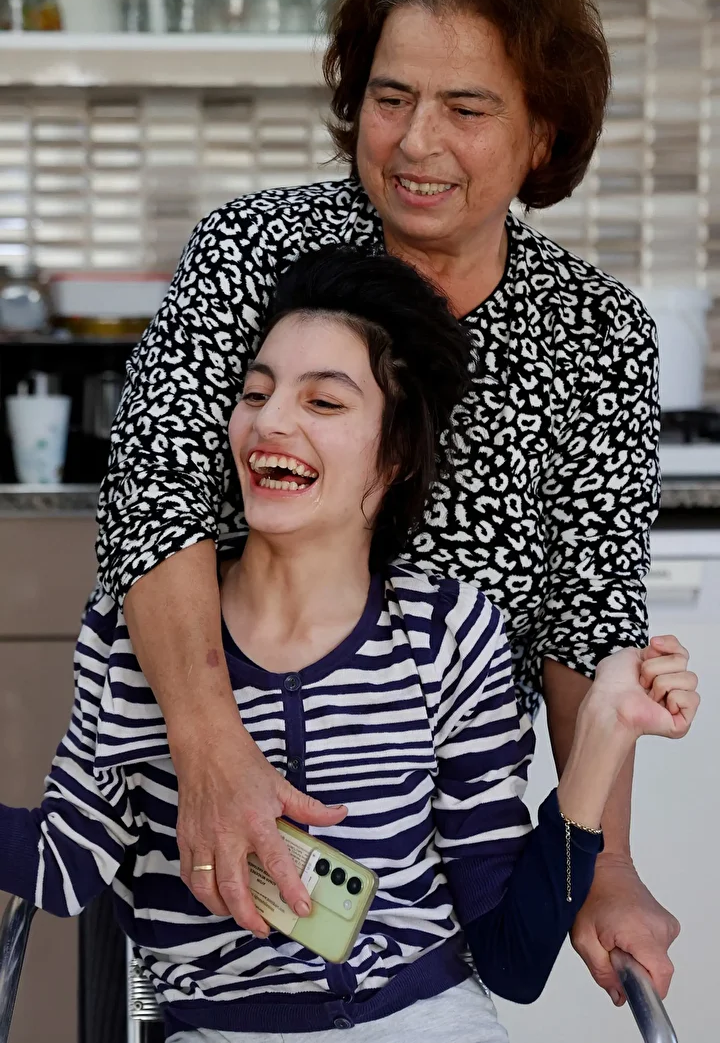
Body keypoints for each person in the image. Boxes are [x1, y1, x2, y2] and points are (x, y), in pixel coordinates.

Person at [95, 0, 677, 1004]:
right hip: (221, 837)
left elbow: (587, 615)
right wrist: (212, 751)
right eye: (390, 96)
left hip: (446, 848)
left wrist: (606, 863)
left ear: (542, 136)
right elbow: (154, 498)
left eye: (467, 108)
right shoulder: (251, 253)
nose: (415, 141)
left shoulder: (596, 332)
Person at [0, 254, 699, 1043]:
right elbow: (62, 865)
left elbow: (513, 958)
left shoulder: (448, 631)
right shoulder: (137, 633)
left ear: (394, 454)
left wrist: (603, 735)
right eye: (255, 393)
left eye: (323, 401)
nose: (269, 422)